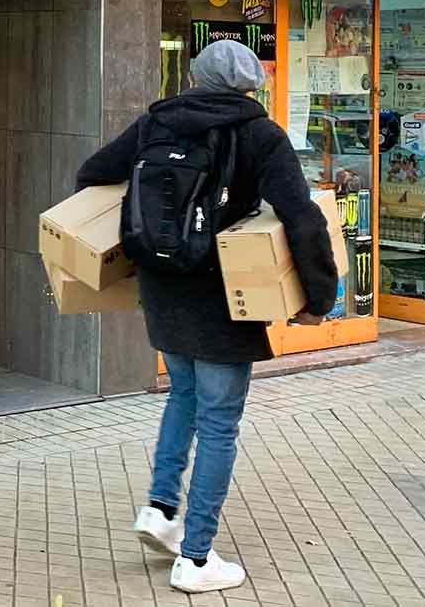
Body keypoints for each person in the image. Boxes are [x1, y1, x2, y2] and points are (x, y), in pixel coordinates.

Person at [75, 39, 338, 594]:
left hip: (163, 287)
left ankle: (160, 509)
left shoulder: (156, 123)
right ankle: (196, 559)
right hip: (224, 292)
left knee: (184, 397)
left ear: (195, 76)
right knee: (220, 421)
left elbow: (93, 173)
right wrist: (319, 297)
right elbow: (301, 216)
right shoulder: (260, 135)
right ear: (251, 84)